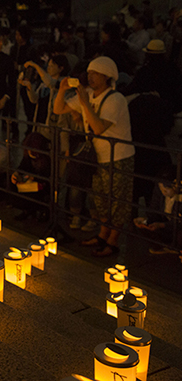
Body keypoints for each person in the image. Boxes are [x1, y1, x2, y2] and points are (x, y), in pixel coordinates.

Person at [53, 56, 135, 257]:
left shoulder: (115, 99)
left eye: (95, 73)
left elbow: (98, 128)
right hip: (98, 157)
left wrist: (84, 105)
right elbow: (58, 109)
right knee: (100, 200)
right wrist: (63, 89)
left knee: (117, 201)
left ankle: (113, 241)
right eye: (89, 73)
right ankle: (102, 235)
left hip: (118, 157)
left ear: (108, 76)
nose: (90, 77)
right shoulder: (89, 94)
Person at [134, 165, 182, 255]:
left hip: (175, 226)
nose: (163, 193)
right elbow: (154, 208)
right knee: (145, 226)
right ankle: (162, 245)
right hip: (166, 223)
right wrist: (146, 220)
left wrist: (162, 225)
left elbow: (179, 221)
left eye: (166, 190)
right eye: (161, 189)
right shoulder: (160, 191)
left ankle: (177, 247)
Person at [10, 132, 52, 221]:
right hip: (29, 181)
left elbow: (46, 174)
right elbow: (23, 166)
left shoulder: (46, 158)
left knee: (36, 193)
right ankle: (26, 211)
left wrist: (33, 177)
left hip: (41, 184)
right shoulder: (28, 155)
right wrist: (16, 174)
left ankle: (40, 212)